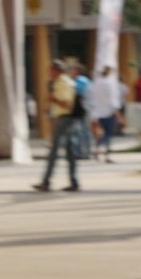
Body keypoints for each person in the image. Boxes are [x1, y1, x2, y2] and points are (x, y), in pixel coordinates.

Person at [32, 59, 84, 192]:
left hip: (65, 119)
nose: (48, 73)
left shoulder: (62, 83)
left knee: (54, 151)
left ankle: (46, 181)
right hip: (68, 119)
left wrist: (53, 99)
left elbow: (68, 104)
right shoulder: (66, 81)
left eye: (50, 70)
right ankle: (73, 182)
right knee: (70, 152)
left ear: (56, 71)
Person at [87, 64, 124, 161]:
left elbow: (92, 98)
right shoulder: (109, 84)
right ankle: (107, 155)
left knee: (101, 133)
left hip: (98, 112)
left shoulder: (95, 84)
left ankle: (97, 148)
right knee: (108, 134)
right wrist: (118, 114)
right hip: (109, 112)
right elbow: (112, 99)